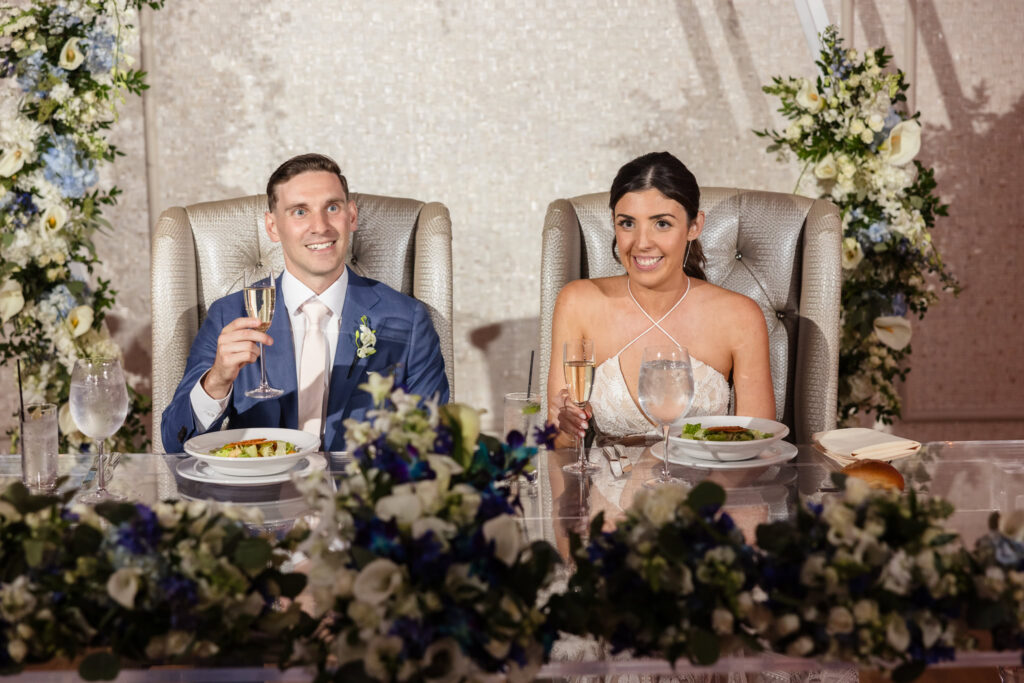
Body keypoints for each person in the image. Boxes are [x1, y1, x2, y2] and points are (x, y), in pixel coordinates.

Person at [161, 153, 449, 453]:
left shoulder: (408, 318)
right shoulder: (229, 315)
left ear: (352, 216)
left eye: (332, 208)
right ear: (272, 227)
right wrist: (217, 381)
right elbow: (175, 443)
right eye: (300, 212)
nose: (320, 226)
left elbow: (433, 445)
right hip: (258, 495)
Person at [547, 151, 775, 448]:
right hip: (607, 488)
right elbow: (560, 446)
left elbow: (760, 444)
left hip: (707, 489)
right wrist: (564, 426)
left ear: (694, 226)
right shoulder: (578, 303)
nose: (642, 243)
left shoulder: (740, 316)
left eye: (662, 224)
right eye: (627, 223)